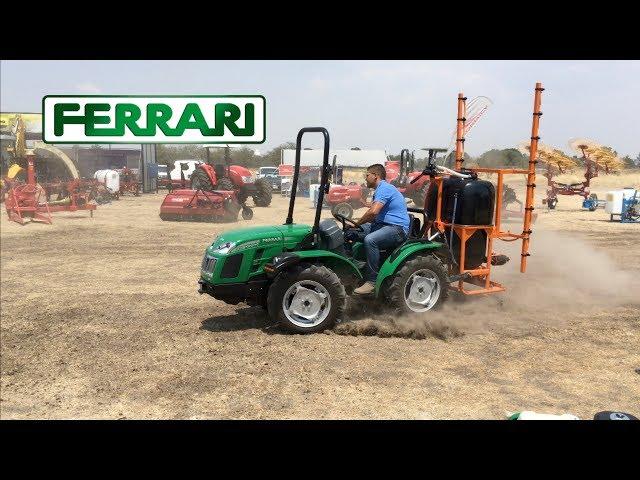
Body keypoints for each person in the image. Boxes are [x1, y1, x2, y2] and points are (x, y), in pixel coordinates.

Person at [350, 163, 410, 295]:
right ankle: (352, 269)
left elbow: (373, 212)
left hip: (397, 228)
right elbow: (373, 213)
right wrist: (354, 227)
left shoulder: (385, 188)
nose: (365, 178)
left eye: (367, 175)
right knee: (349, 233)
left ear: (375, 176)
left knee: (370, 240)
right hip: (381, 225)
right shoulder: (379, 190)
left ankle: (371, 281)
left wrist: (356, 223)